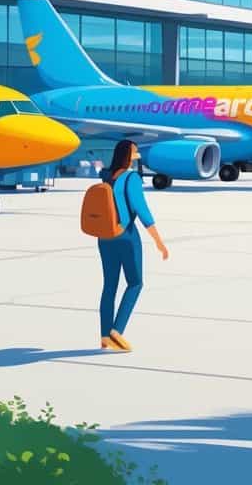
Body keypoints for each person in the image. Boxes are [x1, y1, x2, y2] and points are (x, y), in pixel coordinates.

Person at [97, 140, 168, 352]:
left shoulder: (106, 176)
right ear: (128, 155)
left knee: (109, 286)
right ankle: (116, 332)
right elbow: (142, 210)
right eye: (135, 152)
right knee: (135, 283)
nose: (137, 155)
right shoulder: (131, 178)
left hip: (104, 235)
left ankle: (104, 336)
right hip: (126, 235)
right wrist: (158, 241)